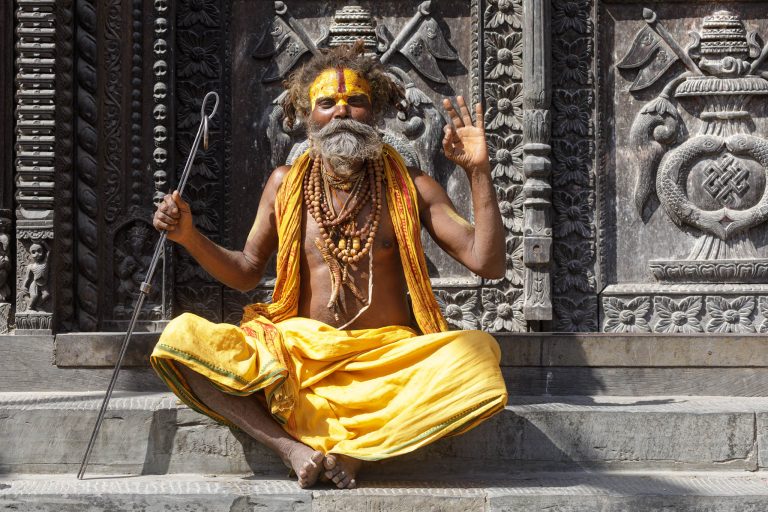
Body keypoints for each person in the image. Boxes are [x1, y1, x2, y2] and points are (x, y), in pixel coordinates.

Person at [151, 42, 508, 490]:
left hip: (387, 362)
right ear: (308, 117)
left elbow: (487, 263)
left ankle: (353, 451)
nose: (342, 112)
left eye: (355, 101)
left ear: (374, 113)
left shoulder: (413, 186)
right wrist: (189, 236)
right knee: (180, 339)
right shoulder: (284, 184)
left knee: (477, 355)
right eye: (327, 103)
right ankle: (294, 449)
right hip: (300, 357)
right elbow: (245, 271)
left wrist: (478, 171)